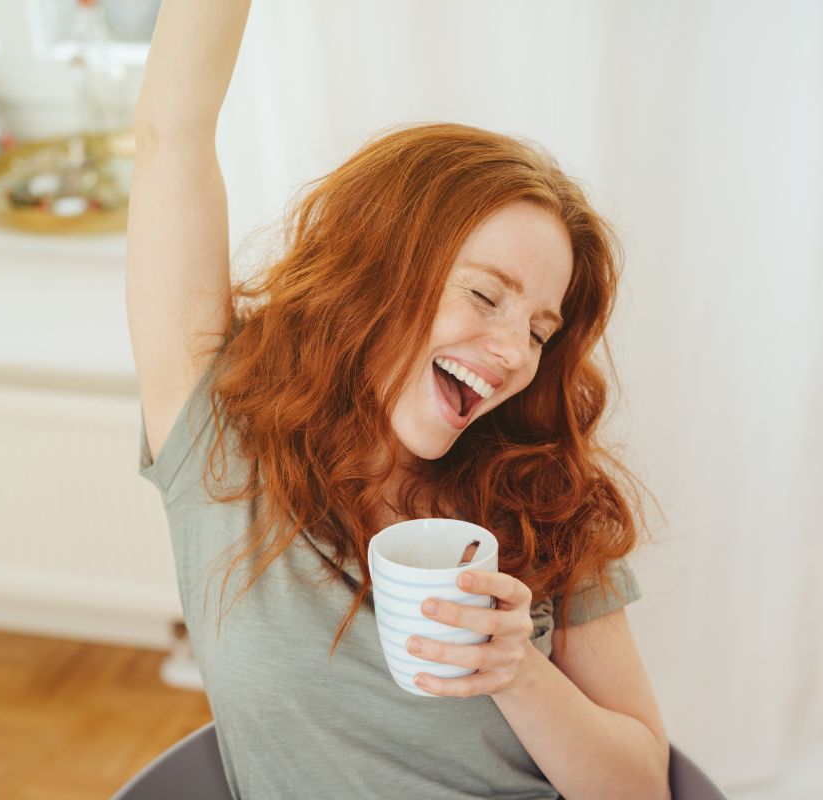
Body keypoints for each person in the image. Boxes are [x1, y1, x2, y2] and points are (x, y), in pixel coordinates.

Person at [127, 1, 670, 797]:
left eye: (541, 329)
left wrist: (516, 670)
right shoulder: (222, 440)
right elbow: (169, 133)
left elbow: (641, 787)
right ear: (379, 270)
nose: (516, 353)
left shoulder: (547, 502)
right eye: (487, 296)